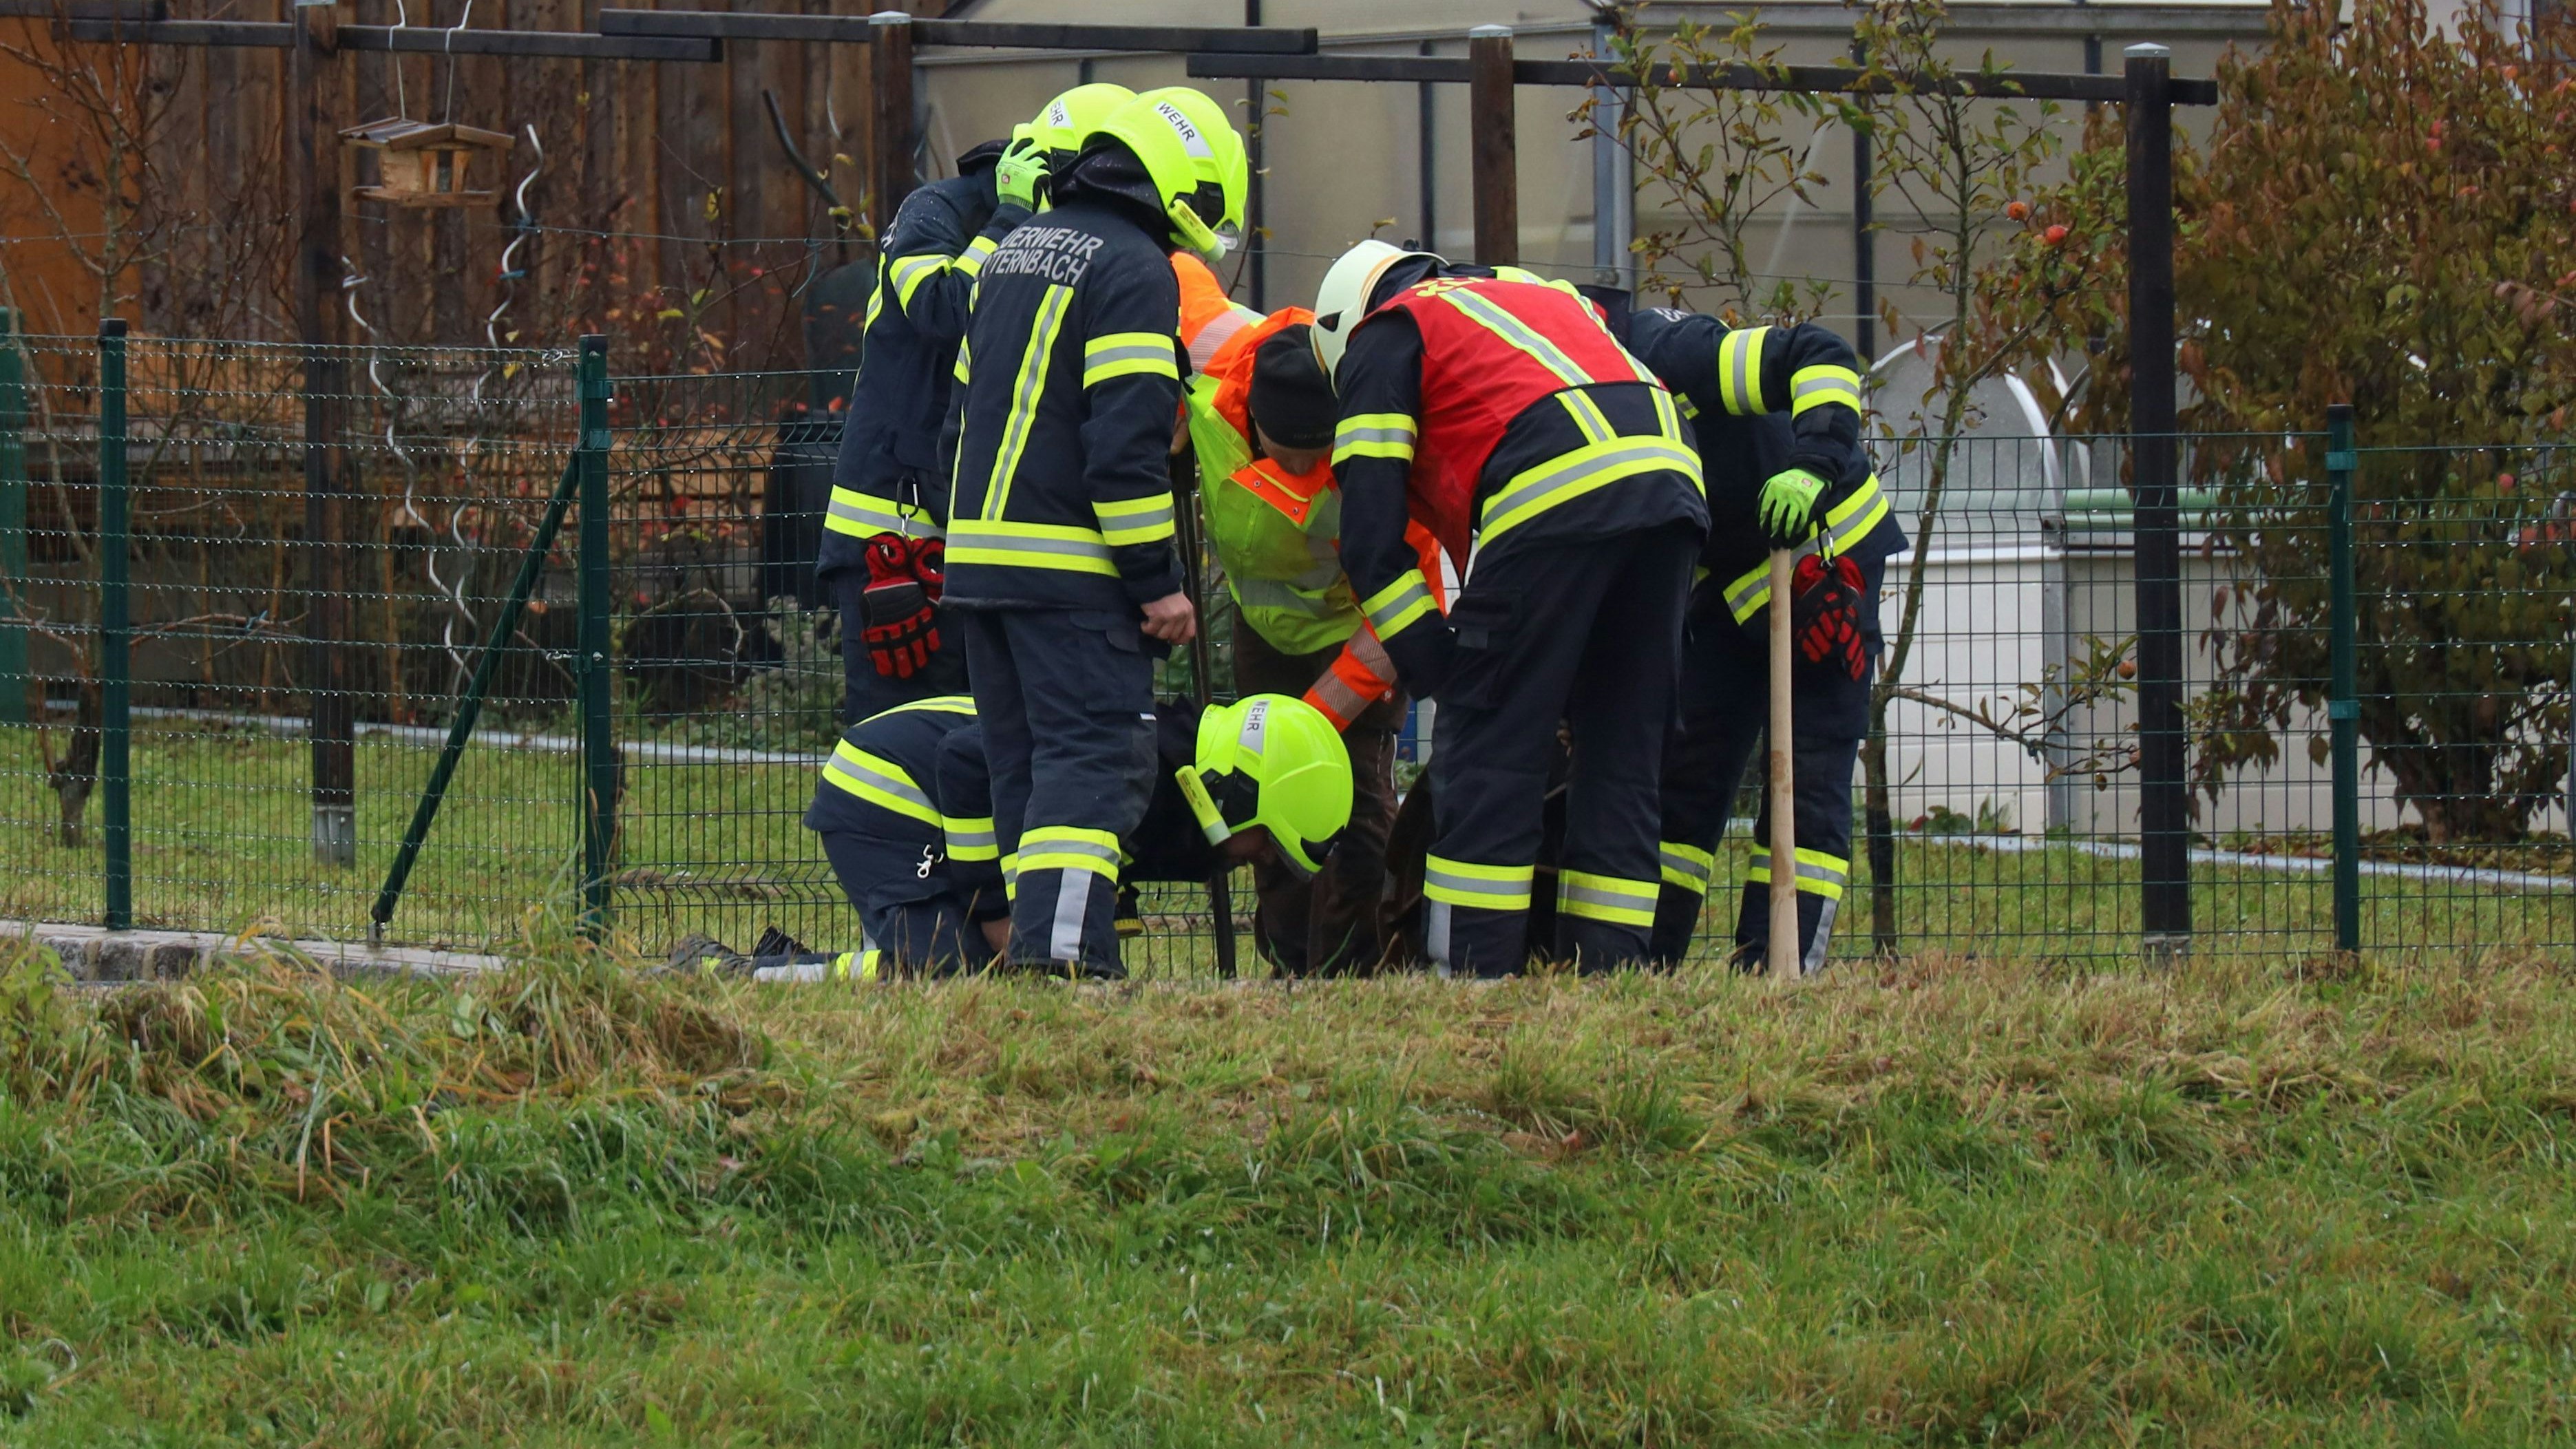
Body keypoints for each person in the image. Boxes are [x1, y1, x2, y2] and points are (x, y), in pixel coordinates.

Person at [1311, 241, 1708, 977]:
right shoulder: (1541, 297)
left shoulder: (1389, 330)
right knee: (1622, 750)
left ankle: (1471, 976)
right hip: (1673, 485)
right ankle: (1611, 977)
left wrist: (1446, 673)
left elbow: (1370, 543)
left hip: (1552, 480)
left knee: (1489, 754)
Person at [940, 87, 1250, 977]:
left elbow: (958, 414)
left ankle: (1039, 952)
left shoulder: (1013, 251)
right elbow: (1123, 449)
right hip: (1072, 578)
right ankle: (1068, 958)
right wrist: (1156, 582)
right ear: (1184, 190)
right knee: (1090, 762)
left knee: (1024, 769)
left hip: (982, 569)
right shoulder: (1135, 269)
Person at [816, 84, 1136, 727]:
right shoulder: (938, 211)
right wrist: (1009, 221)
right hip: (894, 537)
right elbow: (941, 309)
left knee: (979, 743)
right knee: (898, 737)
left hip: (980, 543)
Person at [670, 693, 1351, 982]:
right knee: (947, 972)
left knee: (997, 972)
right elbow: (964, 763)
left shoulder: (1171, 773)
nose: (1255, 863)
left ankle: (784, 965)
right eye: (1265, 847)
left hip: (939, 793)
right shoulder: (1137, 765)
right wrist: (994, 909)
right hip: (885, 788)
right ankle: (730, 975)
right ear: (1233, 794)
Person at [1170, 254, 1442, 975]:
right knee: (1263, 796)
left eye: (1313, 459)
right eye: (1284, 457)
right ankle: (1290, 962)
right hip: (1262, 635)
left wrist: (1316, 719)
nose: (1300, 474)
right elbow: (1168, 267)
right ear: (1252, 421)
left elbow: (1408, 603)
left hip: (1358, 637)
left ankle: (1356, 967)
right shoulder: (1213, 360)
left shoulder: (1380, 458)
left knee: (1356, 803)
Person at [1619, 304, 1903, 974]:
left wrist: (1813, 464)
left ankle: (1777, 967)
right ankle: (1647, 962)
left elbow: (1822, 354)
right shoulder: (1584, 397)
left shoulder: (1677, 354)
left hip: (1827, 562)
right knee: (1686, 774)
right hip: (1729, 588)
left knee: (1807, 778)